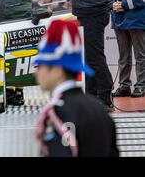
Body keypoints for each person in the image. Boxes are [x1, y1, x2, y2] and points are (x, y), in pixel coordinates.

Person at [34, 19, 118, 157]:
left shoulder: (57, 113)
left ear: (57, 71)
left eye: (40, 66)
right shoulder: (100, 110)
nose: (36, 72)